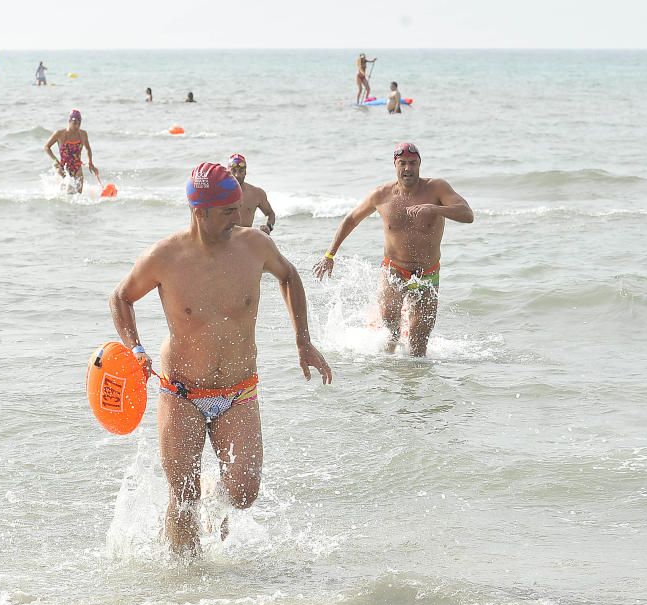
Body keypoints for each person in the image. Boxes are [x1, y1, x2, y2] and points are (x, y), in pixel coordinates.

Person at [109, 162, 333, 557]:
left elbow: (289, 276)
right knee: (183, 496)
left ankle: (213, 493)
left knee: (245, 493)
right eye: (228, 211)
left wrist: (303, 342)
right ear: (201, 211)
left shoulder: (255, 246)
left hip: (239, 391)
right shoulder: (165, 257)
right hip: (181, 391)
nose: (239, 216)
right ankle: (188, 590)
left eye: (239, 207)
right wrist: (136, 350)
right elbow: (121, 298)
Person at [313, 143, 474, 357]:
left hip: (428, 275)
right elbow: (351, 219)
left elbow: (467, 214)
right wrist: (329, 255)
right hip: (393, 272)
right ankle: (387, 380)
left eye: (413, 163)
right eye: (403, 164)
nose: (408, 168)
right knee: (391, 331)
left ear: (419, 165)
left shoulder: (437, 189)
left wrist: (434, 208)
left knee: (419, 347)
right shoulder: (381, 195)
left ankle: (414, 387)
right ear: (395, 164)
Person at [44, 109, 98, 194]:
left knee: (78, 196)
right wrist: (56, 161)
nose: (77, 126)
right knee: (67, 194)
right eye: (75, 123)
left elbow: (88, 148)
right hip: (63, 168)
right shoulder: (60, 134)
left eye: (79, 123)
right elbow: (47, 147)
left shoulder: (83, 134)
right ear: (69, 121)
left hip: (77, 167)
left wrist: (91, 163)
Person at [228, 154, 277, 235]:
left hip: (245, 240)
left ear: (245, 172)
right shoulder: (218, 192)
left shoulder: (256, 193)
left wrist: (268, 227)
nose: (237, 175)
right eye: (233, 170)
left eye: (241, 171)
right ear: (228, 171)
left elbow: (271, 214)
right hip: (225, 240)